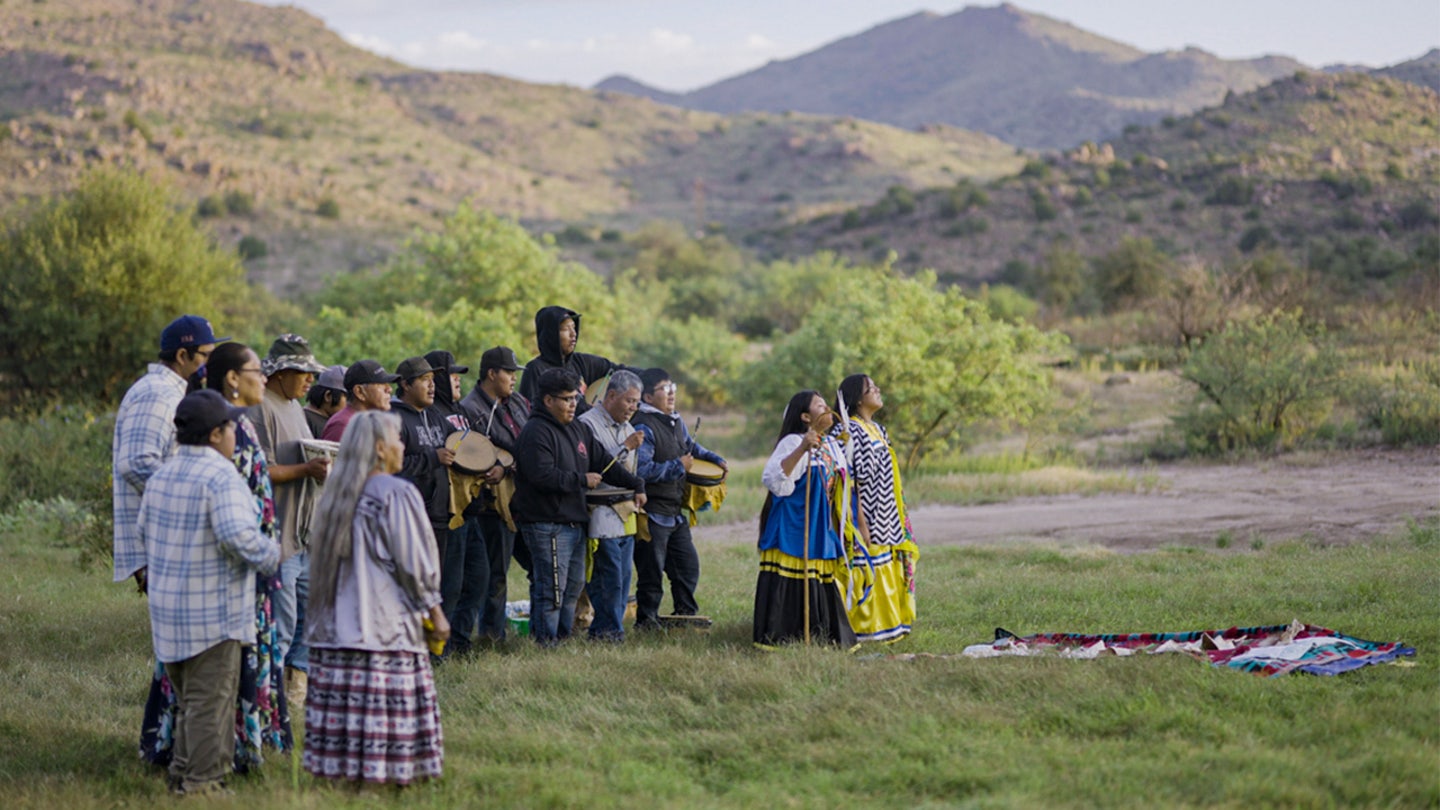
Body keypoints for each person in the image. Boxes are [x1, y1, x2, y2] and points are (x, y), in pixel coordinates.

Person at [140, 344, 292, 770]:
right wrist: (267, 554)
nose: (263, 378)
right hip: (226, 579)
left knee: (200, 686)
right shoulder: (228, 434)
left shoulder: (234, 427)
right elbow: (233, 528)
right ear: (231, 378)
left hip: (198, 586)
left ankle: (192, 760)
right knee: (213, 685)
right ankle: (209, 769)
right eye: (257, 371)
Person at [303, 411, 448, 786]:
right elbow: (414, 564)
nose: (403, 447)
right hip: (381, 628)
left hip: (333, 630)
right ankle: (383, 777)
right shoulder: (396, 493)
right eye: (398, 440)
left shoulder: (335, 497)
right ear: (382, 450)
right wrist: (434, 610)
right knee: (381, 714)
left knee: (346, 723)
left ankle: (342, 777)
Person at [512, 368, 645, 646]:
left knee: (572, 587)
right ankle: (546, 642)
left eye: (575, 398)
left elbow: (604, 463)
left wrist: (636, 484)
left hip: (574, 520)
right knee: (552, 589)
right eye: (567, 399)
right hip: (545, 521)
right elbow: (542, 476)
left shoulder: (577, 429)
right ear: (548, 401)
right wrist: (581, 480)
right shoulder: (535, 432)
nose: (574, 404)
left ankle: (562, 637)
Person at [113, 314, 226, 591]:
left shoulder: (173, 392)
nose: (209, 364)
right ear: (181, 355)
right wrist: (188, 494)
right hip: (160, 536)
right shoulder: (158, 394)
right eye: (205, 355)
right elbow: (135, 463)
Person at [250, 334, 330, 707]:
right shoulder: (260, 407)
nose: (310, 381)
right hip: (278, 535)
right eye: (304, 373)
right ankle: (268, 701)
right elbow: (259, 470)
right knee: (281, 624)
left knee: (312, 612)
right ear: (281, 373)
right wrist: (306, 469)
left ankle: (297, 687)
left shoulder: (294, 406)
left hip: (305, 533)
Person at [752, 390, 859, 648]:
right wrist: (802, 448)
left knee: (819, 580)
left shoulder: (832, 445)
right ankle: (784, 636)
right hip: (793, 523)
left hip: (819, 524)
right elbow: (775, 480)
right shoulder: (792, 442)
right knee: (790, 580)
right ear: (805, 416)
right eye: (819, 405)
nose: (827, 407)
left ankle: (821, 636)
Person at [630, 368, 726, 630]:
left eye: (672, 387)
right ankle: (646, 623)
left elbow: (690, 447)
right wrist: (677, 466)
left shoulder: (674, 420)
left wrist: (714, 458)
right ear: (648, 398)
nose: (671, 394)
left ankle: (684, 617)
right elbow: (641, 471)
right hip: (651, 512)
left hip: (673, 512)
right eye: (664, 389)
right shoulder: (643, 426)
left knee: (687, 567)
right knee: (651, 574)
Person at [835, 375, 918, 642]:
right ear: (858, 399)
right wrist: (859, 522)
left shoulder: (879, 430)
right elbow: (848, 482)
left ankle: (893, 623)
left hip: (887, 512)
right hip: (866, 515)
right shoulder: (849, 430)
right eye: (872, 388)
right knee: (867, 566)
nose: (878, 390)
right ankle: (867, 629)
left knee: (888, 563)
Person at [455, 346, 529, 643]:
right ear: (491, 374)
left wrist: (511, 460)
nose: (513, 378)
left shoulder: (519, 401)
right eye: (509, 372)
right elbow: (483, 453)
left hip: (524, 498)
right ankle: (490, 638)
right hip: (491, 505)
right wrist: (505, 462)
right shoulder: (471, 409)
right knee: (494, 575)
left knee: (535, 568)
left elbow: (527, 441)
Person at [576, 370, 646, 642]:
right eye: (629, 401)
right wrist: (626, 447)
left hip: (626, 512)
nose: (633, 408)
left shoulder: (629, 428)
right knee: (608, 576)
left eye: (637, 403)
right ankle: (605, 632)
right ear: (612, 395)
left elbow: (631, 474)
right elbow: (597, 467)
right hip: (600, 513)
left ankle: (612, 630)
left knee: (624, 577)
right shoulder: (588, 424)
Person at [390, 356, 458, 596]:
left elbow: (459, 443)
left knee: (433, 584)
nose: (432, 386)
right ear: (406, 385)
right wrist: (432, 458)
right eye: (424, 380)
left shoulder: (437, 417)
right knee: (409, 586)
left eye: (432, 380)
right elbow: (391, 467)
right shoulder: (393, 418)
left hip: (438, 515)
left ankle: (432, 634)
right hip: (408, 518)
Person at [423, 349, 474, 641]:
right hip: (443, 508)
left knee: (472, 581)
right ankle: (440, 645)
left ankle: (462, 640)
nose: (457, 380)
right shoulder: (432, 414)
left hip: (471, 506)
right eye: (451, 374)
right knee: (447, 583)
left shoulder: (462, 411)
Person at [518, 306, 621, 415]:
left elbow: (620, 370)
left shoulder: (581, 362)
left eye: (574, 327)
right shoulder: (535, 369)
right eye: (566, 329)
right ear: (551, 334)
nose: (573, 334)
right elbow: (531, 412)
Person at [321, 359, 399, 442]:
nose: (389, 389)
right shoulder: (343, 425)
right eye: (381, 384)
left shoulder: (369, 422)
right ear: (359, 392)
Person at [304, 365, 348, 439]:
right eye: (347, 398)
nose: (350, 404)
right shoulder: (305, 420)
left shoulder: (331, 421)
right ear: (328, 396)